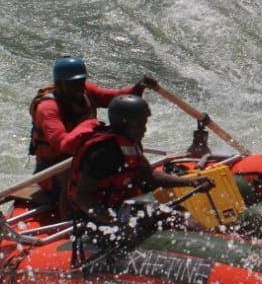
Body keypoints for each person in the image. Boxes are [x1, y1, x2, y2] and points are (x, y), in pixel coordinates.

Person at [65, 94, 212, 265]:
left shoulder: (130, 144)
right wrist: (115, 224)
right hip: (94, 218)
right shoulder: (102, 153)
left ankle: (208, 253)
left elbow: (151, 177)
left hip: (119, 210)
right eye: (141, 124)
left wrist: (192, 182)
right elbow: (83, 198)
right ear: (125, 124)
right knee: (129, 237)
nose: (145, 129)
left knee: (180, 216)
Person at [28, 55, 157, 202]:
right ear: (59, 84)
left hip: (83, 158)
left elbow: (115, 98)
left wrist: (139, 87)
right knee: (70, 178)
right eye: (73, 84)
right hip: (52, 169)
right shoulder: (47, 108)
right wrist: (89, 124)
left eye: (81, 81)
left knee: (123, 156)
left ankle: (143, 194)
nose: (78, 87)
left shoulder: (84, 90)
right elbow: (64, 145)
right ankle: (72, 214)